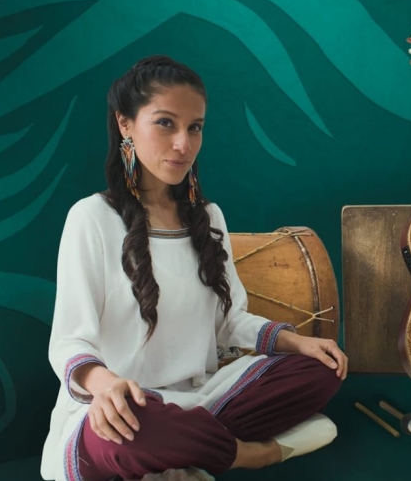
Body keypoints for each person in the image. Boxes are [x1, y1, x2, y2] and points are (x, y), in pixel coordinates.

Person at [41, 55, 348, 481]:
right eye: (165, 123)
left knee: (322, 371)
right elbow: (69, 340)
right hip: (118, 409)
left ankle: (188, 445)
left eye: (195, 127)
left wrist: (299, 345)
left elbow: (229, 322)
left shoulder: (209, 216)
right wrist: (104, 385)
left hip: (200, 400)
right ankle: (248, 454)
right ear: (126, 124)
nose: (183, 144)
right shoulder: (90, 217)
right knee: (135, 429)